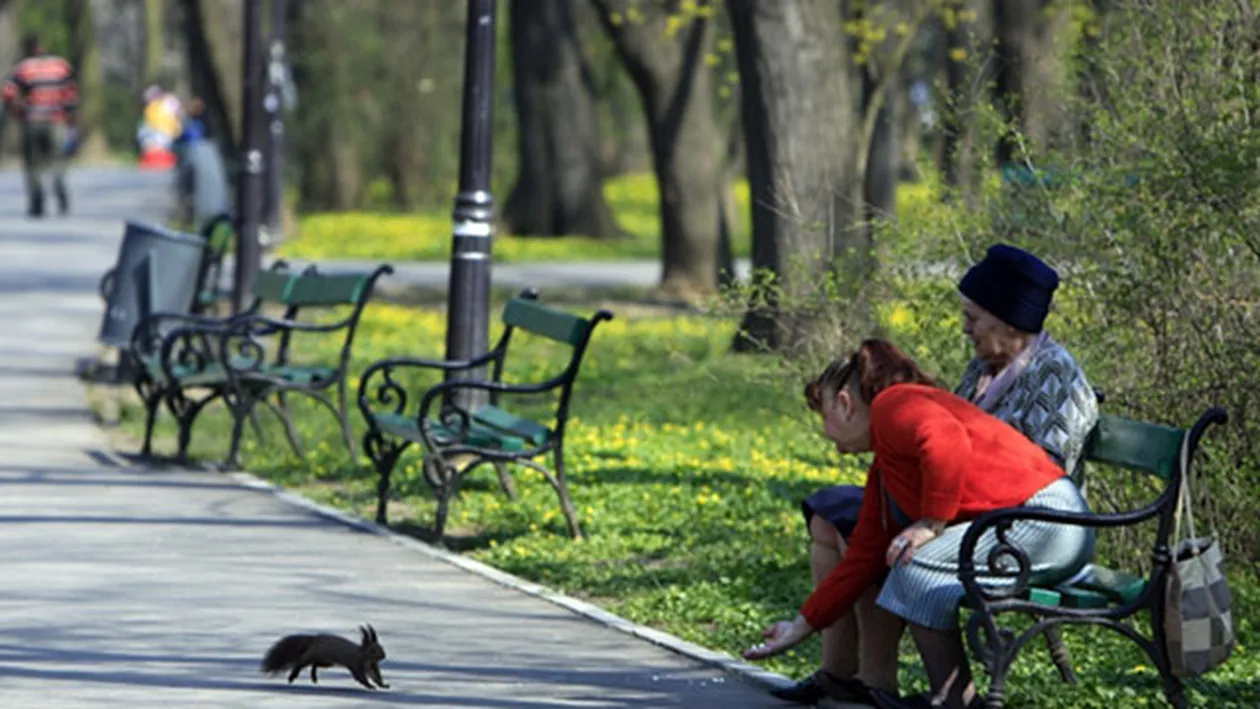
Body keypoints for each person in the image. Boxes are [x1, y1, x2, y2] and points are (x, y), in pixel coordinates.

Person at [773, 243, 1099, 705]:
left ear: (1010, 320)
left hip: (1028, 521)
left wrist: (931, 521)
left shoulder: (1055, 375)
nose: (965, 328)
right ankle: (858, 676)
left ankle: (918, 691)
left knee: (907, 557)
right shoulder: (981, 369)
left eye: (974, 317)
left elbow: (1031, 465)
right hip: (972, 512)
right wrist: (802, 623)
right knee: (851, 524)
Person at [2, 33, 78, 218]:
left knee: (33, 164)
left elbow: (8, 91)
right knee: (58, 159)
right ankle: (60, 191)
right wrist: (69, 116)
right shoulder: (61, 66)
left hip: (32, 121)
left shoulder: (24, 68)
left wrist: (17, 110)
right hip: (55, 121)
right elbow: (70, 95)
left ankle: (37, 202)